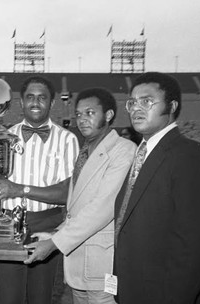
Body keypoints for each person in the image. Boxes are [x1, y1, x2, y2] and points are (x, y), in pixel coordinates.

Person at [0, 76, 79, 304]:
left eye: (42, 97)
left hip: (47, 224)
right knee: (10, 297)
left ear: (52, 103)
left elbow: (65, 193)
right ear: (21, 103)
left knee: (40, 297)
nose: (36, 102)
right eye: (30, 97)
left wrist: (19, 189)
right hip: (7, 224)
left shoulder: (68, 140)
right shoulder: (2, 137)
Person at [114, 72, 200, 303]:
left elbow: (195, 245)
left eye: (147, 101)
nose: (136, 108)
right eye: (132, 102)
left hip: (164, 293)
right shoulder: (142, 152)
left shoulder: (190, 155)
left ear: (172, 106)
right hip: (135, 286)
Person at [23, 88, 136, 304]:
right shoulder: (85, 150)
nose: (82, 119)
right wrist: (54, 233)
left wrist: (55, 243)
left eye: (90, 113)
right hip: (79, 265)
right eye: (79, 114)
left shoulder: (123, 150)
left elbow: (102, 208)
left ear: (109, 115)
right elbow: (77, 208)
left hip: (102, 265)